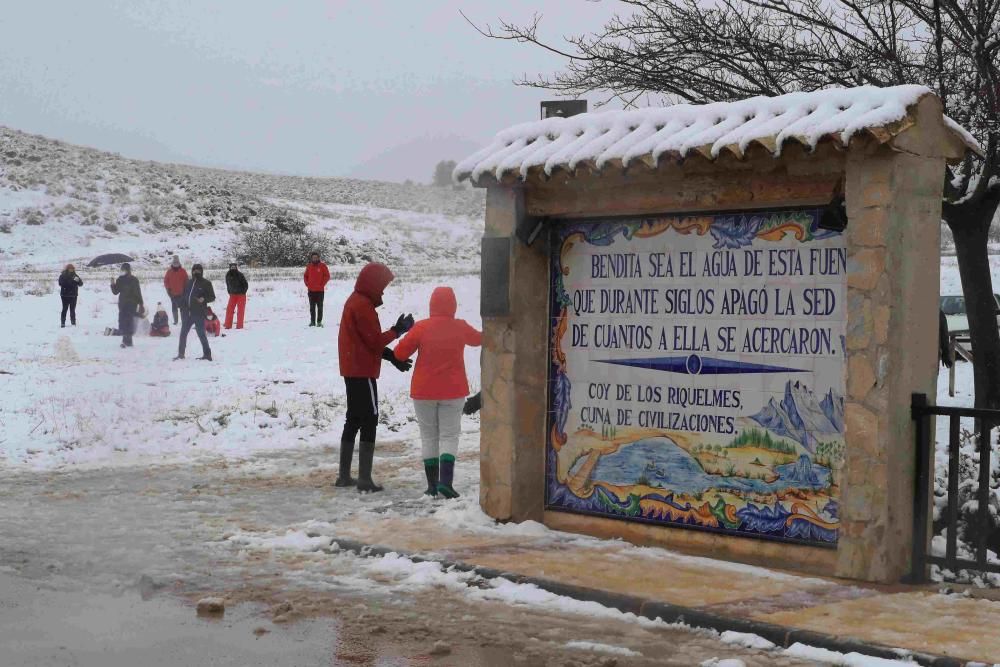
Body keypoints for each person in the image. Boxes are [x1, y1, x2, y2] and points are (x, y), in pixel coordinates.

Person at [394, 287, 482, 499]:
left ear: (431, 305)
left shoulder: (422, 327)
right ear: (453, 305)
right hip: (453, 391)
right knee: (449, 435)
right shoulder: (459, 327)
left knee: (429, 436)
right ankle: (446, 483)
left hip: (423, 391)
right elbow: (480, 339)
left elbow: (399, 353)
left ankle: (432, 485)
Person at [335, 262, 414, 492]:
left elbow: (367, 343)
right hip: (362, 371)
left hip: (353, 369)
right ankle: (364, 479)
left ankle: (344, 476)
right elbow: (375, 341)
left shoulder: (356, 301)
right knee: (369, 418)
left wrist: (393, 358)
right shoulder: (362, 306)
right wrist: (397, 331)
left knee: (354, 419)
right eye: (382, 286)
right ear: (373, 284)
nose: (382, 291)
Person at [174, 263, 215, 361]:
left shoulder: (206, 283)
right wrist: (181, 304)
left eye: (198, 270)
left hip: (199, 313)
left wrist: (203, 299)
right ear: (192, 271)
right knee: (183, 333)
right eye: (194, 270)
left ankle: (207, 354)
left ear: (201, 271)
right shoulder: (188, 282)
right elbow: (184, 295)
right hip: (187, 313)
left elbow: (212, 297)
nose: (196, 272)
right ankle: (181, 354)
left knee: (201, 334)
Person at [110, 263, 143, 348]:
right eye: (122, 270)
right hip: (122, 304)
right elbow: (115, 292)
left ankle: (127, 341)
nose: (122, 271)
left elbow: (138, 292)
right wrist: (112, 284)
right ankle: (126, 340)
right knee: (122, 322)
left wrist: (141, 304)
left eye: (124, 270)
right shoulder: (120, 280)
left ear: (128, 270)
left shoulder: (134, 280)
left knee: (129, 321)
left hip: (132, 304)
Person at [303, 251, 330, 327]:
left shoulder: (323, 266)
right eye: (313, 257)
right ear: (311, 258)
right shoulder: (309, 266)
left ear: (318, 258)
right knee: (312, 308)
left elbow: (327, 276)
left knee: (320, 307)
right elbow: (305, 276)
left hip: (320, 291)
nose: (314, 258)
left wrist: (322, 284)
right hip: (311, 291)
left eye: (316, 257)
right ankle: (312, 322)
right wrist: (307, 284)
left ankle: (319, 322)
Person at [163, 256, 189, 326]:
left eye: (177, 262)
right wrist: (168, 289)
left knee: (183, 309)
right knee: (174, 308)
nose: (176, 264)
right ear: (172, 263)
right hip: (172, 294)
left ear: (179, 262)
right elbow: (166, 281)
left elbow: (186, 281)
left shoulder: (183, 271)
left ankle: (184, 321)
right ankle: (175, 321)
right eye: (174, 262)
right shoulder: (169, 271)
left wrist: (186, 290)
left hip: (182, 294)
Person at [224, 261, 249, 330]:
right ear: (230, 268)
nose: (233, 268)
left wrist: (243, 292)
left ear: (236, 267)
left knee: (240, 311)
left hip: (241, 295)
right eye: (232, 267)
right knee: (229, 309)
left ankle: (239, 326)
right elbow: (227, 284)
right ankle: (228, 325)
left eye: (234, 267)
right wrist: (229, 291)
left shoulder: (240, 275)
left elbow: (246, 284)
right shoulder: (228, 275)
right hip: (232, 295)